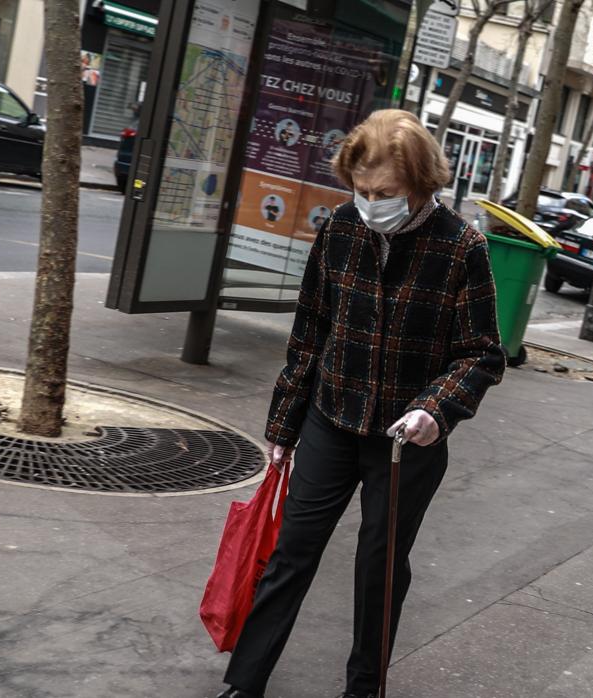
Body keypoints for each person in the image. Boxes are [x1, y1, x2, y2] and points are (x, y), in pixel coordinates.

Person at [216, 110, 505, 698]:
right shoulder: (342, 227)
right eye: (362, 190)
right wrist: (284, 424)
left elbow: (482, 353)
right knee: (291, 552)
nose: (371, 203)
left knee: (380, 564)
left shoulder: (461, 247)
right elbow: (312, 329)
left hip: (407, 439)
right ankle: (243, 685)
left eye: (386, 193)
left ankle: (363, 688)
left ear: (422, 184)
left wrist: (435, 408)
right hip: (332, 416)